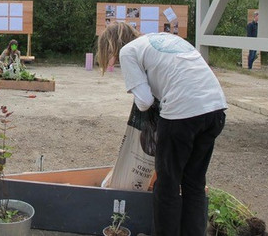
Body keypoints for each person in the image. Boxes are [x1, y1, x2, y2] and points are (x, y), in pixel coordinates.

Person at [96, 22, 227, 236]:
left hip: (182, 114)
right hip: (215, 110)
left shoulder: (129, 51)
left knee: (167, 184)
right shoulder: (166, 39)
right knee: (194, 182)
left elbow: (145, 101)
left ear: (113, 45)